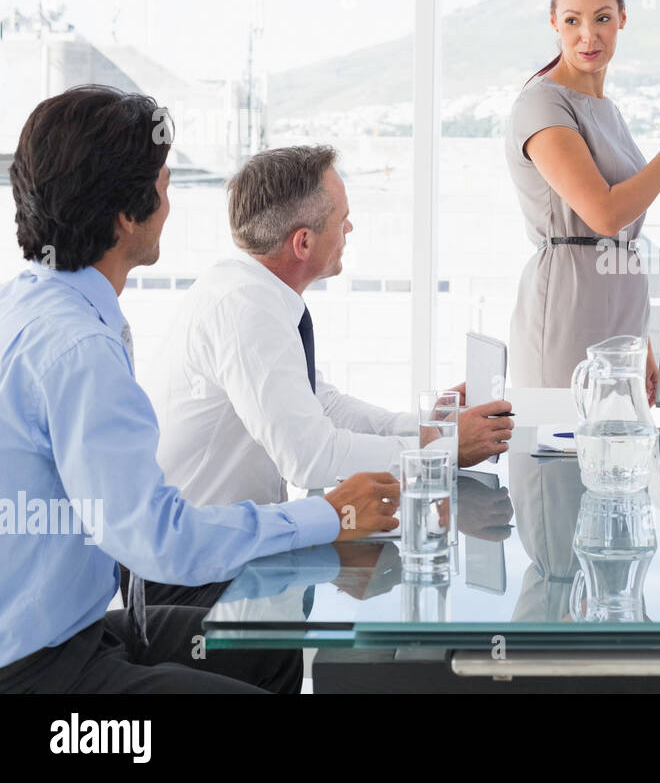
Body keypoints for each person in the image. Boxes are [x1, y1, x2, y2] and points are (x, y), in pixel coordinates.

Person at [0, 86, 396, 692]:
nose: (170, 203)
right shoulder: (79, 349)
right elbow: (159, 538)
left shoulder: (36, 303)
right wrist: (327, 513)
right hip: (41, 668)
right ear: (125, 215)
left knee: (274, 652)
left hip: (86, 625)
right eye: (163, 187)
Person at [138, 144, 513, 606]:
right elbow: (310, 458)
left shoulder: (249, 290)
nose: (350, 228)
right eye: (342, 219)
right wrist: (441, 451)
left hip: (231, 557)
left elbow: (322, 402)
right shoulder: (245, 308)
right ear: (303, 242)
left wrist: (427, 430)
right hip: (193, 582)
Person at [504, 0, 660, 399]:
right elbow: (605, 215)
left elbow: (621, 234)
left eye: (602, 19)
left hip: (621, 311)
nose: (588, 35)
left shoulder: (609, 110)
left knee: (621, 457)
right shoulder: (542, 106)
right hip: (566, 307)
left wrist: (640, 340)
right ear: (554, 22)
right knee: (563, 452)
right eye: (572, 20)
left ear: (622, 19)